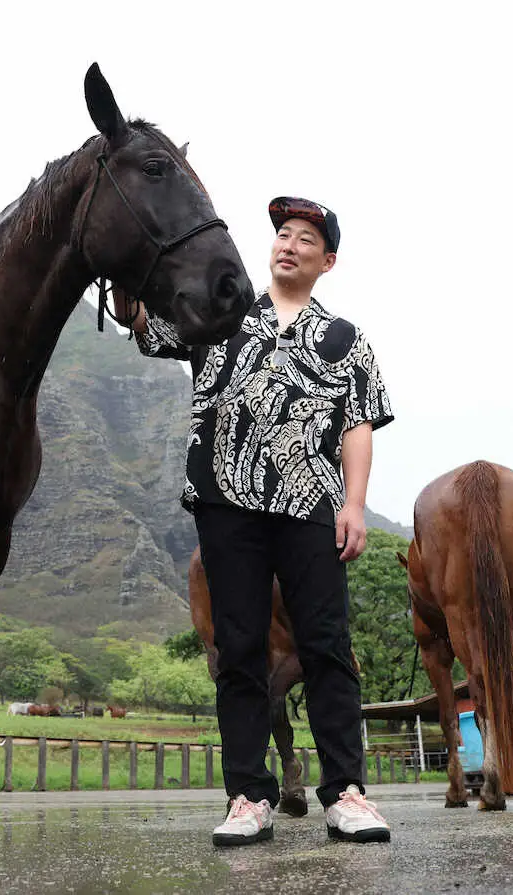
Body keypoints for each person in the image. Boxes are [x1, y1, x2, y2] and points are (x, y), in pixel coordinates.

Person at [114, 196, 394, 846]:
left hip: (310, 507)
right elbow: (153, 330)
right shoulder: (223, 314)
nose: (288, 245)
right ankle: (249, 796)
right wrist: (129, 297)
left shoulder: (345, 338)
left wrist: (354, 504)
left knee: (327, 646)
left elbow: (357, 424)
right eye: (283, 234)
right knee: (237, 649)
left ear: (327, 261)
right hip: (226, 505)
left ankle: (345, 793)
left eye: (305, 239)